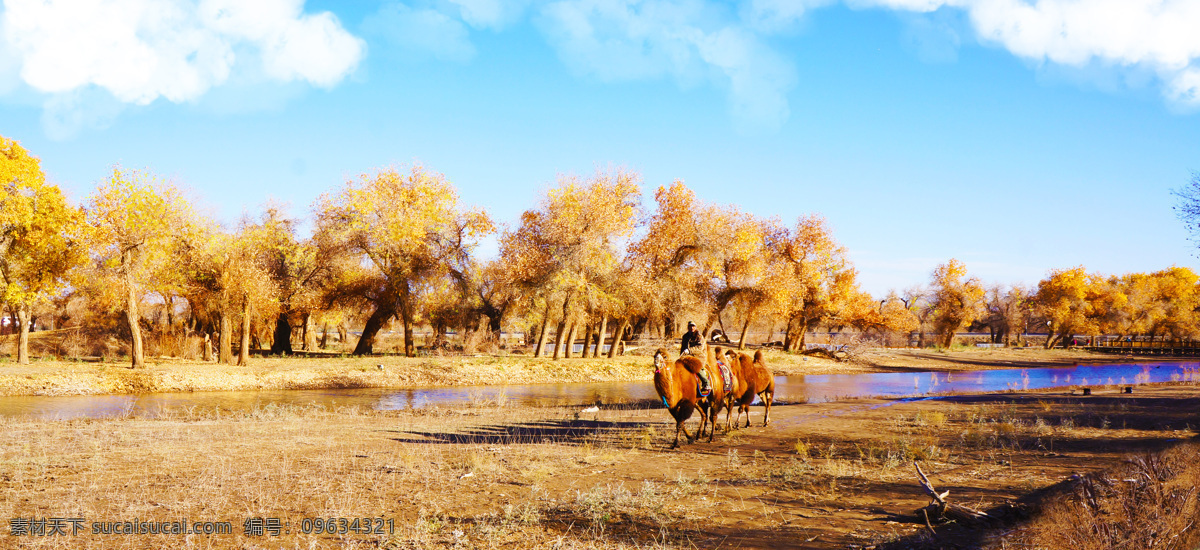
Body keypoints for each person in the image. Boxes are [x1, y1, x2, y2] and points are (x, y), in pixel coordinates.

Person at [680, 322, 711, 395]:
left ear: (695, 327)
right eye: (690, 326)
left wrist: (689, 350)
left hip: (699, 356)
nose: (692, 328)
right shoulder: (685, 336)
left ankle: (706, 383)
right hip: (687, 356)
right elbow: (683, 347)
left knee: (697, 368)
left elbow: (700, 348)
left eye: (693, 326)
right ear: (688, 327)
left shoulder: (699, 336)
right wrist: (681, 356)